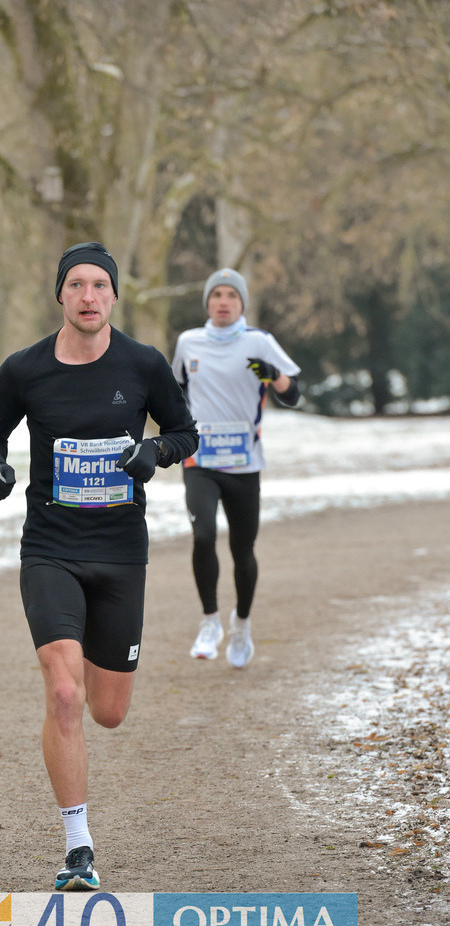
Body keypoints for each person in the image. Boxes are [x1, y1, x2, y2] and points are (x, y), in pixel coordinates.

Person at [0, 242, 198, 891]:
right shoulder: (25, 369)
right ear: (61, 295)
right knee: (64, 693)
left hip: (121, 552)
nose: (89, 295)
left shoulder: (143, 363)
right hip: (51, 548)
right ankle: (79, 849)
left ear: (114, 295)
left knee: (108, 711)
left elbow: (186, 433)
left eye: (100, 284)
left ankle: (93, 718)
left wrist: (154, 451)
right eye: (76, 284)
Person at [171, 267, 300, 667]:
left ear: (242, 303)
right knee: (203, 535)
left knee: (243, 550)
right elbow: (174, 394)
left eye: (231, 295)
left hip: (244, 464)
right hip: (201, 460)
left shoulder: (259, 342)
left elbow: (293, 394)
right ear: (207, 302)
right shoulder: (188, 342)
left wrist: (274, 377)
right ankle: (210, 621)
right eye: (216, 295)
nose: (223, 302)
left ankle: (241, 625)